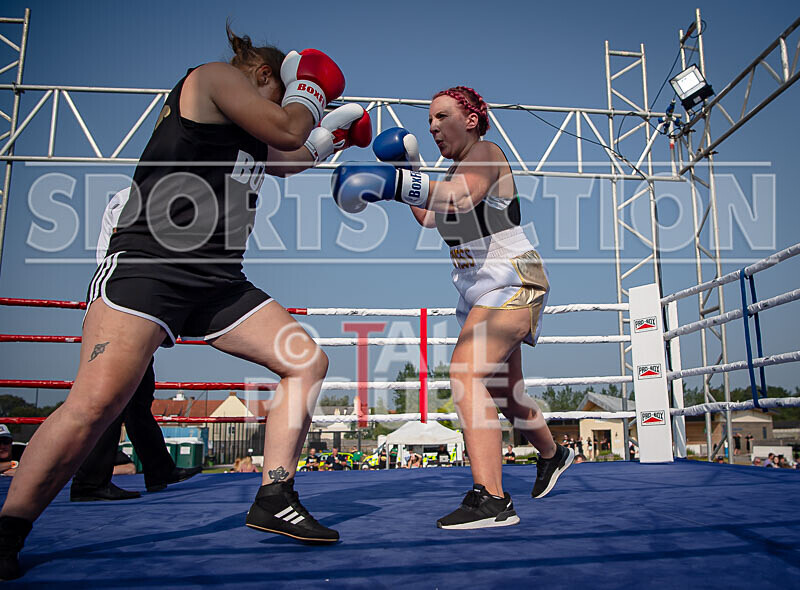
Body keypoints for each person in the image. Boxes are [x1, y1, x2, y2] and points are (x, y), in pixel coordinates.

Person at [0, 25, 371, 580]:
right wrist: (311, 93)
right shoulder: (213, 79)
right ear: (265, 77)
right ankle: (10, 527)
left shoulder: (249, 133)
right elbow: (287, 129)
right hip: (150, 268)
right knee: (95, 405)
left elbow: (290, 156)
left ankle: (274, 497)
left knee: (306, 361)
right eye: (280, 91)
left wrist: (335, 133)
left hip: (218, 280)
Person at [332, 86, 573, 530]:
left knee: (465, 374)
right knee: (507, 396)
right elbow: (429, 214)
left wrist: (392, 181)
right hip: (476, 291)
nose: (434, 127)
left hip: (512, 279)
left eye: (442, 116)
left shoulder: (485, 152)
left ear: (472, 118)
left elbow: (462, 197)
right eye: (429, 123)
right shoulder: (449, 172)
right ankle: (554, 454)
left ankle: (493, 500)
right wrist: (412, 170)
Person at [70, 189, 202, 502]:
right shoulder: (132, 198)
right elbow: (137, 253)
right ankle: (89, 481)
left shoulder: (154, 197)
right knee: (112, 395)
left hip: (133, 304)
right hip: (122, 303)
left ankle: (160, 470)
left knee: (138, 398)